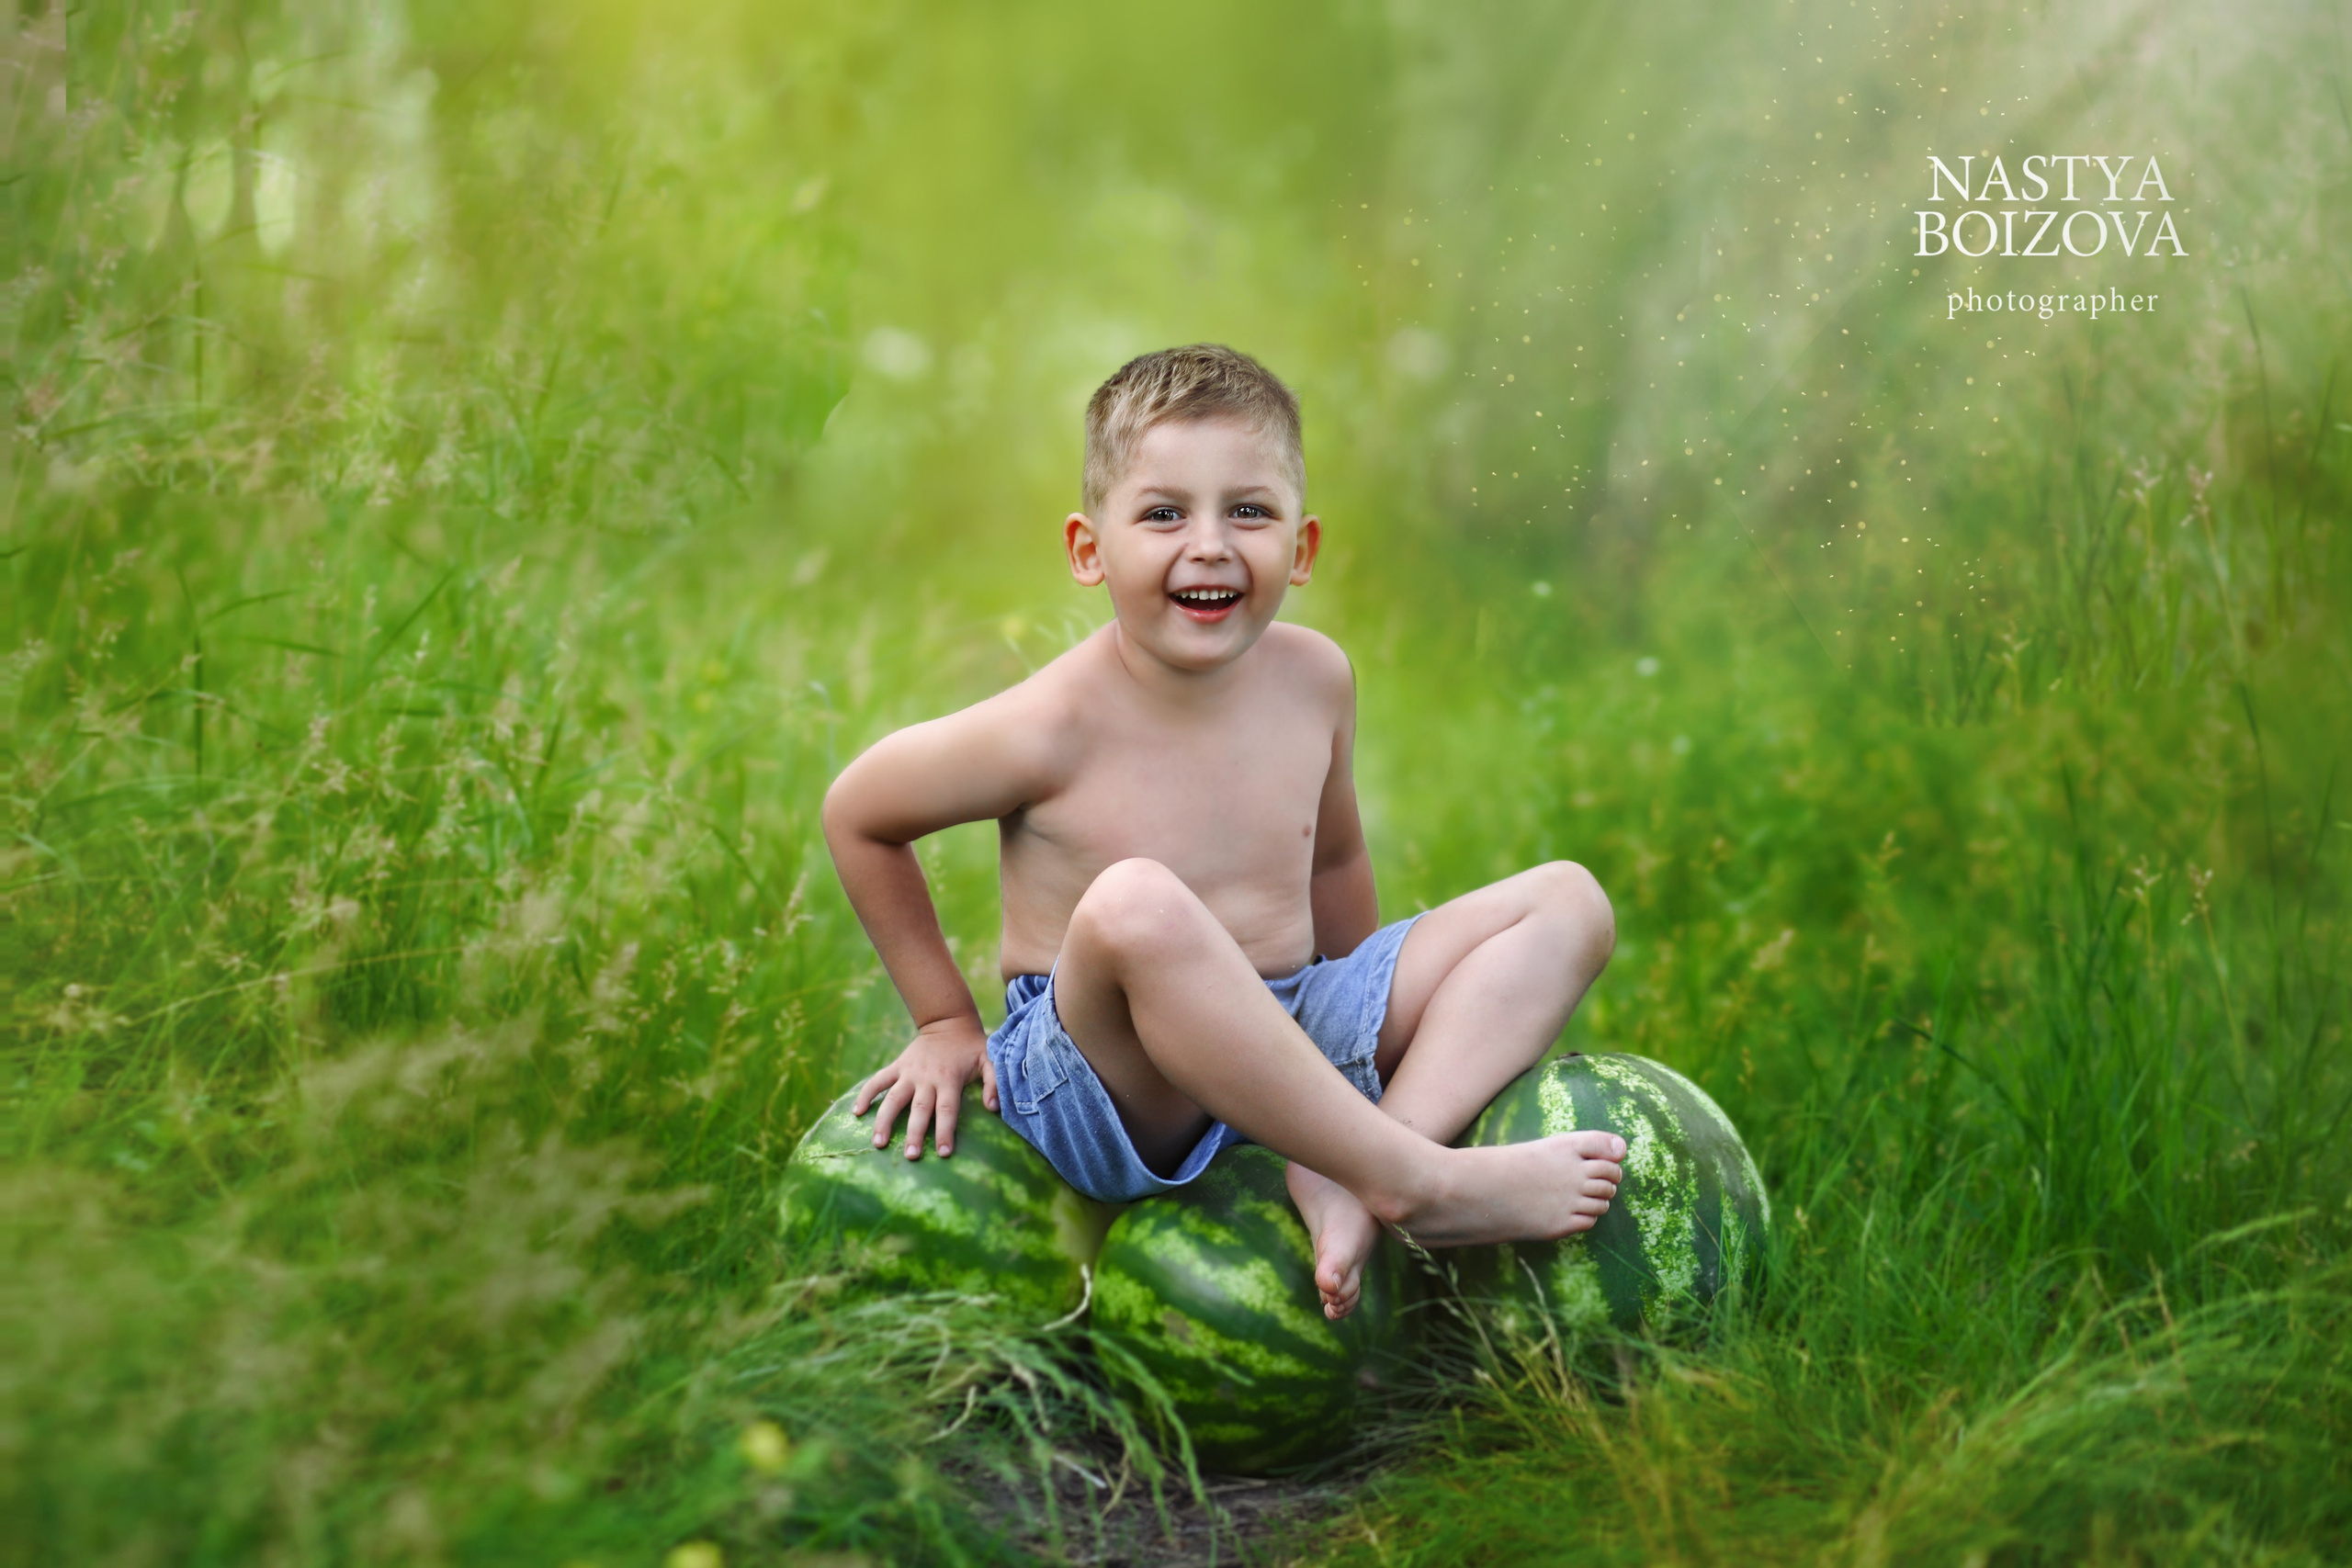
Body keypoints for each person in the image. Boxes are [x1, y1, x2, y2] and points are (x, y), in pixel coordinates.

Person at [821, 344, 1623, 1321]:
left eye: (1248, 511)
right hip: (1106, 1083)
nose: (1209, 545)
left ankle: (1354, 1163)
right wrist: (945, 1023)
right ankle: (1419, 1182)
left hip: (1283, 1017)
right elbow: (858, 813)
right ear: (1088, 550)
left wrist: (1361, 1024)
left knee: (1566, 900)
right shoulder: (1048, 725)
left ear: (1302, 547)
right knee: (1134, 900)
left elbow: (1331, 857)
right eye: (1163, 514)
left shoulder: (1315, 678)